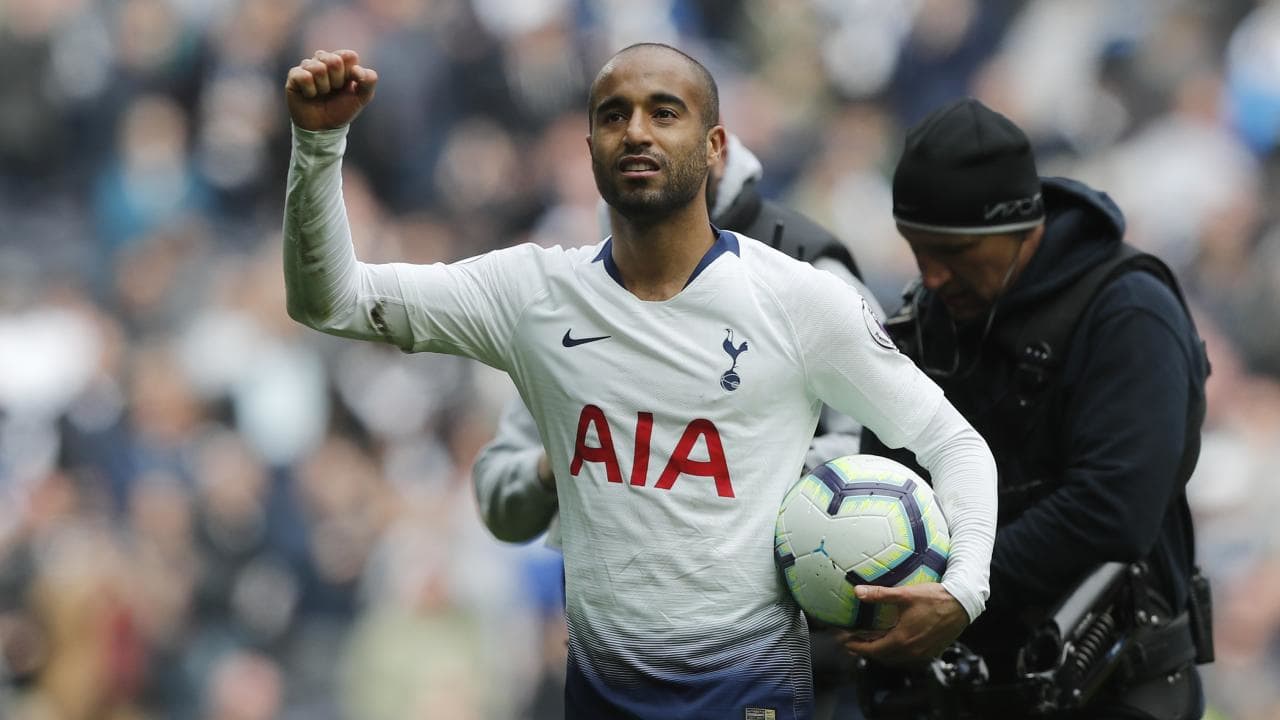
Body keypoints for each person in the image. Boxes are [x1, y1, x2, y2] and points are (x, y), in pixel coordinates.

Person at [281, 43, 998, 719]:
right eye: (613, 115)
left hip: (750, 694)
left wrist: (964, 591)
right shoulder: (534, 294)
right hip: (602, 697)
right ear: (589, 147)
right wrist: (318, 144)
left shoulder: (797, 301)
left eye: (664, 111)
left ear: (714, 146)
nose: (635, 131)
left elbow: (955, 443)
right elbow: (331, 300)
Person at [858, 98, 1210, 719]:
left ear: (1022, 228)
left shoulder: (1129, 313)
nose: (932, 276)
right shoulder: (923, 327)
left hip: (1114, 690)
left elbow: (1112, 510)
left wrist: (962, 589)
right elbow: (881, 492)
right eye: (918, 250)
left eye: (952, 252)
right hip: (960, 696)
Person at [472, 129, 881, 546]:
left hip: (766, 575)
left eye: (665, 117)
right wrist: (561, 458)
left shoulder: (807, 272)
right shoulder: (582, 290)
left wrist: (725, 469)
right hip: (605, 582)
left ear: (715, 147)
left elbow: (881, 445)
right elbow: (497, 502)